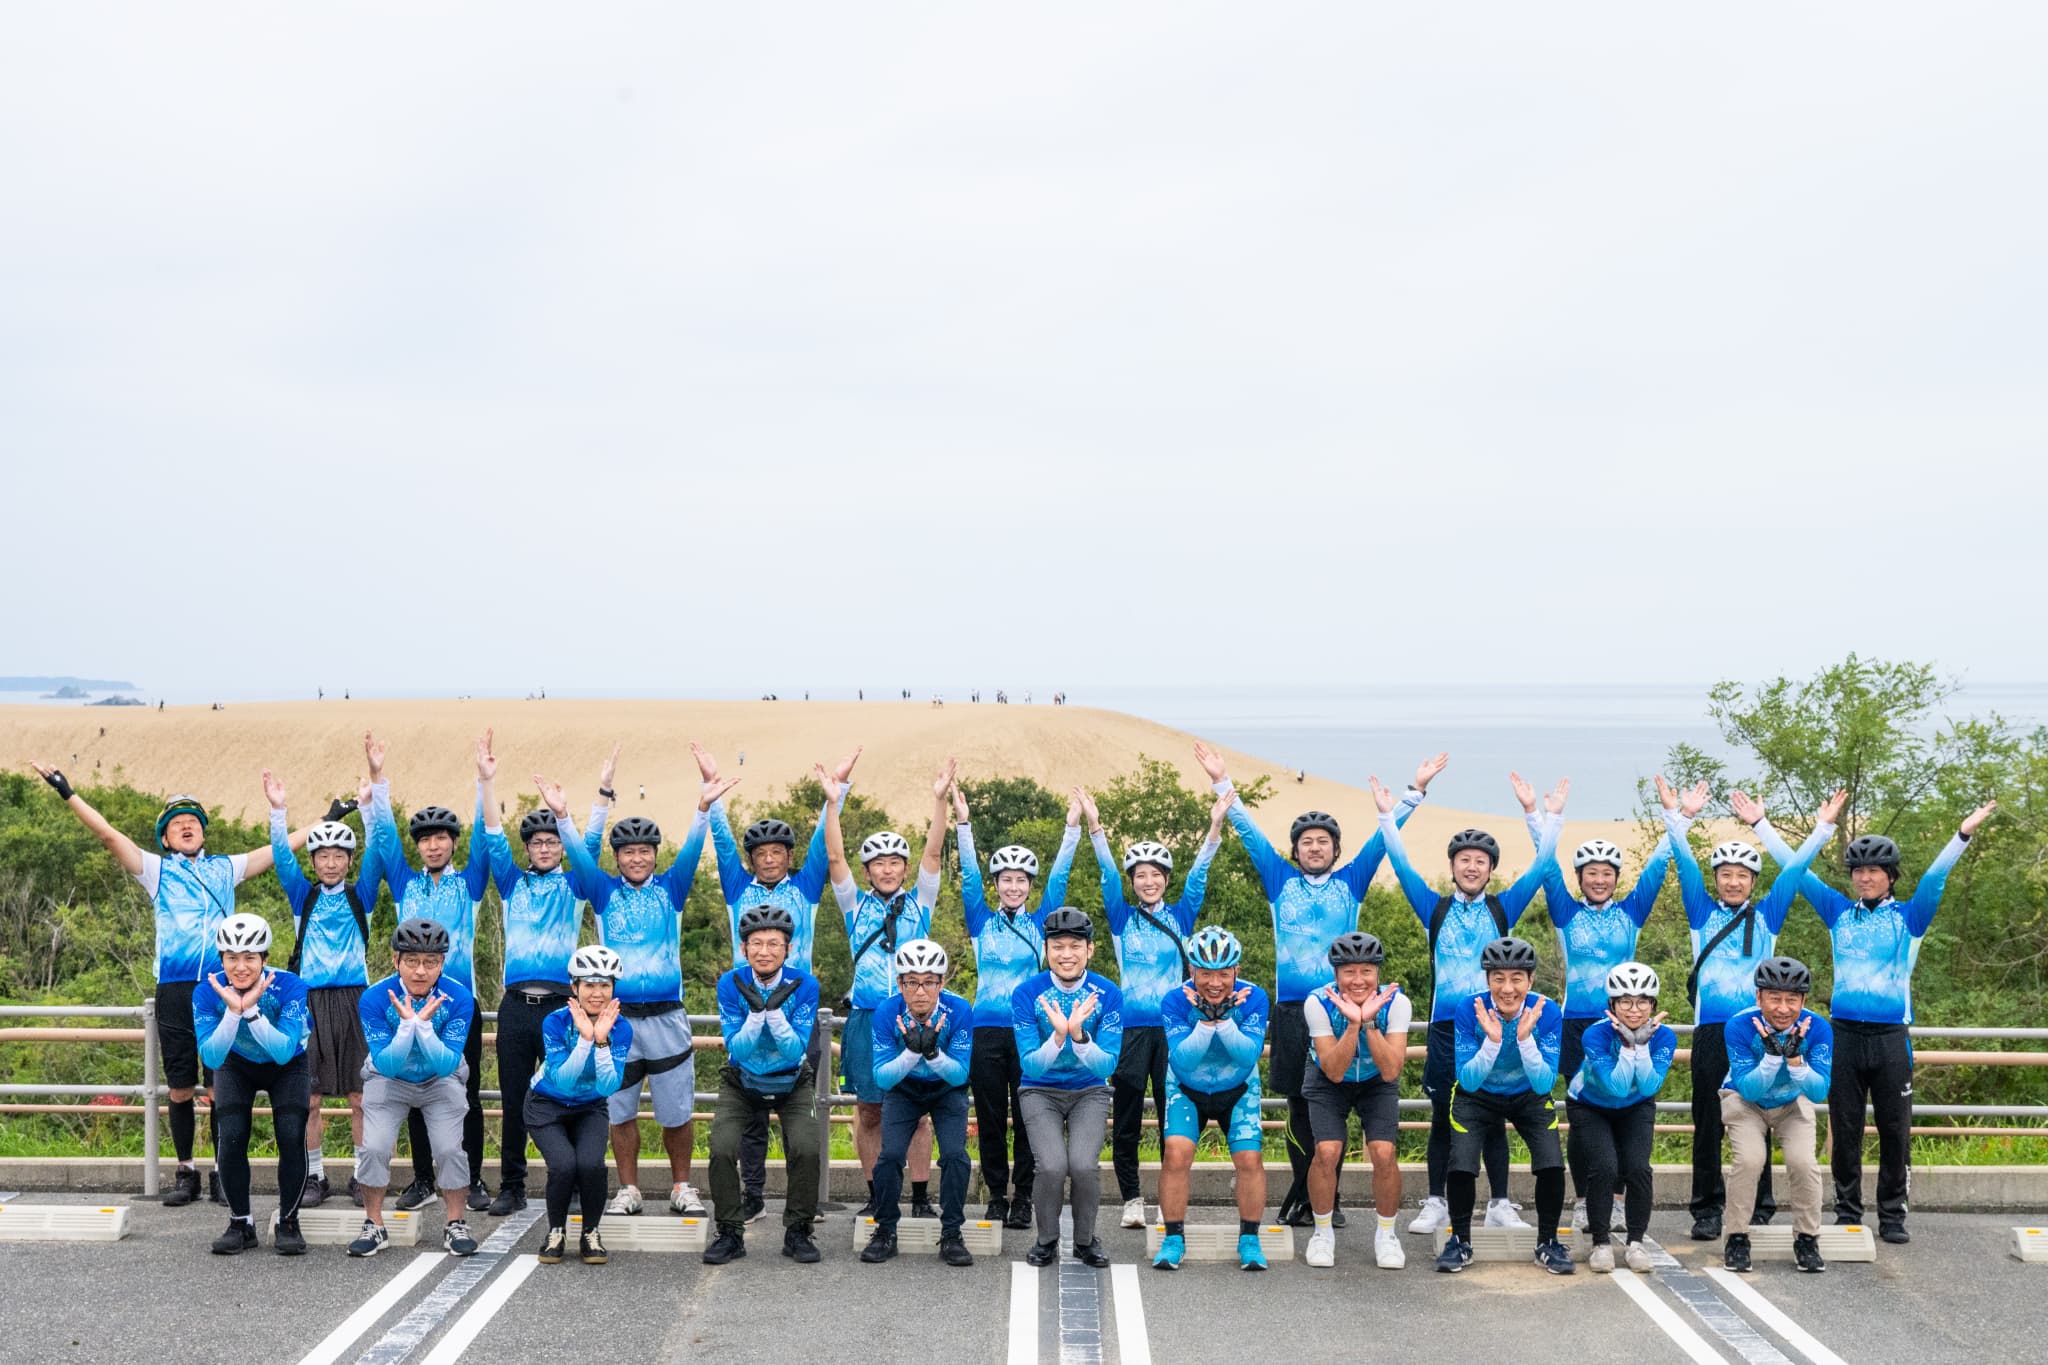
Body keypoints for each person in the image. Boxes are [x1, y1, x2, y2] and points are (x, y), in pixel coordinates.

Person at [30, 761, 307, 1208]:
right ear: (165, 837)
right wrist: (67, 791)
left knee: (221, 1085)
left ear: (204, 831)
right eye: (176, 824)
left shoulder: (226, 868)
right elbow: (109, 836)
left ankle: (223, 1172)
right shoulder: (157, 870)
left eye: (193, 821)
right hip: (176, 988)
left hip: (224, 987)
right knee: (179, 1087)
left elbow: (279, 849)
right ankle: (185, 1171)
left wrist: (329, 818)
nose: (186, 827)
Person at [1195, 741, 1444, 1228]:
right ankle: (1305, 1196)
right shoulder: (1279, 879)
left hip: (1344, 1009)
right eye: (1306, 842)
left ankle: (1322, 1199)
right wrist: (1221, 780)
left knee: (1339, 1111)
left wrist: (1414, 792)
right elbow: (1249, 833)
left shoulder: (1352, 880)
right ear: (1295, 851)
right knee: (1299, 1108)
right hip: (1293, 1010)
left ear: (1335, 850)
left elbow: (1383, 841)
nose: (1314, 847)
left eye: (1323, 841)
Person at [1773, 797, 1996, 1243]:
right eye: (1858, 870)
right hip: (1844, 1035)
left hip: (1892, 1038)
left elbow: (1935, 879)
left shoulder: (1910, 917)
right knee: (1845, 1128)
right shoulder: (1838, 912)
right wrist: (1763, 823)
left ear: (1890, 876)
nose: (1864, 877)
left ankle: (1893, 1214)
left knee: (1896, 1129)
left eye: (1874, 870)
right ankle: (1848, 1210)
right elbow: (1797, 872)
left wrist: (1962, 834)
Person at [1374, 773, 1562, 1236]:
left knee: (1494, 1114)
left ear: (1490, 870)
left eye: (1480, 861)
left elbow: (1543, 866)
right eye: (1464, 860)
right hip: (1446, 1027)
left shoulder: (1502, 908)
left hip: (1499, 1022)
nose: (1472, 867)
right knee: (1444, 1115)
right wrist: (1390, 811)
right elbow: (1400, 863)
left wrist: (1538, 814)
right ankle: (1437, 1200)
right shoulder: (1434, 909)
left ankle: (1499, 1203)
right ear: (1453, 866)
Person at [1518, 770, 1698, 1229]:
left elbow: (1658, 866)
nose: (1599, 880)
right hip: (1577, 1023)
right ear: (1581, 878)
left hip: (1626, 1023)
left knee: (1623, 1108)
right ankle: (1586, 1198)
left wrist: (1679, 817)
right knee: (1584, 1118)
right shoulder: (1565, 912)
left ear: (1616, 878)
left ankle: (1616, 1200)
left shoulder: (1631, 912)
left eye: (1606, 873)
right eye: (1591, 873)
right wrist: (1536, 815)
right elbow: (1546, 865)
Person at [543, 770, 722, 1220]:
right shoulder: (602, 890)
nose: (637, 858)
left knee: (677, 1112)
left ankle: (681, 1186)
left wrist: (703, 808)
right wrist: (562, 817)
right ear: (617, 857)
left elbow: (693, 850)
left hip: (667, 1017)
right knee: (619, 1110)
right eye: (628, 851)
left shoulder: (672, 888)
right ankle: (629, 1189)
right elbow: (579, 858)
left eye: (645, 851)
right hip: (616, 1018)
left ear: (655, 855)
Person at [1667, 787, 1843, 1241]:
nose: (1733, 882)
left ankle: (1761, 1207)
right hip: (1711, 1032)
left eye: (1742, 875)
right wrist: (1678, 817)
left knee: (1762, 1113)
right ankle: (1707, 1209)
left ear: (1753, 881)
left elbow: (1795, 870)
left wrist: (1822, 829)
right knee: (1708, 1123)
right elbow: (1683, 864)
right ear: (1716, 879)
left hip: (1760, 1032)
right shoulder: (1700, 913)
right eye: (1725, 874)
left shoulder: (1767, 916)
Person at [696, 742, 852, 1222]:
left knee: (799, 1113)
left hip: (796, 1010)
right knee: (750, 1121)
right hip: (747, 1008)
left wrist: (838, 791)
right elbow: (723, 845)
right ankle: (753, 1197)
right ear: (753, 859)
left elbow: (824, 844)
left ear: (788, 856)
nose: (769, 859)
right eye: (761, 853)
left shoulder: (805, 887)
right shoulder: (737, 887)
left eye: (778, 852)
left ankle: (803, 1202)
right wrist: (712, 792)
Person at [358, 730, 500, 1213]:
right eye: (425, 839)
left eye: (441, 838)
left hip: (459, 1003)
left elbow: (486, 840)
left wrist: (484, 781)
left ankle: (472, 1179)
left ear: (452, 843)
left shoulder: (471, 883)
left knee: (465, 1093)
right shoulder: (403, 883)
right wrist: (378, 778)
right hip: (407, 1003)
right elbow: (383, 837)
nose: (433, 845)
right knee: (413, 1090)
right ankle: (422, 1180)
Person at [1077, 784, 1227, 1229]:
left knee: (1171, 1116)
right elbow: (1106, 876)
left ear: (1165, 878)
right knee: (1125, 1119)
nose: (1148, 881)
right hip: (1128, 1030)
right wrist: (1095, 827)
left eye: (1156, 874)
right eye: (1140, 875)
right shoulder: (1122, 918)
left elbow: (1199, 877)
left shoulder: (1180, 916)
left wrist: (1215, 827)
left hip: (1173, 1029)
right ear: (1133, 880)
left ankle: (1167, 1198)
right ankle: (1131, 1200)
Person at [477, 749, 616, 1216]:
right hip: (516, 1005)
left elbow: (589, 841)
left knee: (568, 1089)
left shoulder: (575, 885)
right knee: (515, 1099)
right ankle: (512, 1186)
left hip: (562, 1005)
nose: (544, 848)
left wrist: (602, 792)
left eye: (552, 841)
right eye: (536, 842)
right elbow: (493, 834)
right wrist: (487, 782)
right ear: (528, 848)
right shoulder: (511, 883)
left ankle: (573, 1180)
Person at [823, 761, 952, 1219]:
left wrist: (940, 801)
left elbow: (934, 853)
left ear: (904, 867)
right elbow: (834, 859)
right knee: (870, 1110)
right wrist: (832, 804)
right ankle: (878, 1194)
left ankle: (920, 1196)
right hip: (865, 1016)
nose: (887, 868)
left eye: (895, 861)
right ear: (868, 870)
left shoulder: (920, 903)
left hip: (914, 1014)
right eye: (878, 863)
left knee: (918, 1113)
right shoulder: (854, 905)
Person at [953, 782, 1082, 1228]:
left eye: (1020, 880)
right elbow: (968, 875)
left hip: (1030, 1030)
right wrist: (964, 824)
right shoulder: (980, 920)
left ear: (1029, 885)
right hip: (985, 1030)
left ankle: (1023, 1196)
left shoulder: (1041, 922)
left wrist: (1071, 828)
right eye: (1005, 879)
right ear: (996, 885)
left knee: (1029, 1116)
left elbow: (1060, 878)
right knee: (990, 1119)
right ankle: (995, 1195)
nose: (1013, 886)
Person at [265, 772, 375, 1208]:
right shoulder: (303, 897)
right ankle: (314, 1176)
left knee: (361, 1097)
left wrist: (369, 809)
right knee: (308, 1098)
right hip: (309, 1002)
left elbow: (380, 852)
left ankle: (363, 1176)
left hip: (355, 1000)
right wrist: (278, 812)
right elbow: (280, 859)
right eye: (323, 856)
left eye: (338, 856)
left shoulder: (361, 896)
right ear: (313, 861)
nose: (330, 863)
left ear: (349, 860)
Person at [1435, 936, 1570, 1276]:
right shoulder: (1470, 1008)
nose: (1507, 989)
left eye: (1516, 979)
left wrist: (1524, 1039)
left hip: (1528, 1092)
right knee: (1462, 1162)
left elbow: (1544, 1084)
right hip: (1477, 1093)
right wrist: (1493, 1042)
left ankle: (1548, 1242)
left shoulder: (1547, 1011)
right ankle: (1460, 1241)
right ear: (1487, 980)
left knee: (1552, 1163)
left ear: (1531, 980)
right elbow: (1467, 1081)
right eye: (1498, 978)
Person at [348, 918, 480, 1258]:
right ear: (396, 960)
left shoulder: (459, 997)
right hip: (389, 1077)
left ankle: (456, 1223)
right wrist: (408, 1028)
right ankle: (374, 1223)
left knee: (449, 1150)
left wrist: (424, 1028)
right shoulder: (374, 998)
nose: (420, 971)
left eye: (430, 962)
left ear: (442, 963)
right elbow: (387, 1064)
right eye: (411, 961)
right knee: (374, 1148)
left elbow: (447, 1065)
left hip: (440, 1077)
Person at [703, 906, 824, 1265]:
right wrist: (757, 1014)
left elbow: (795, 1049)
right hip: (741, 1078)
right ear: (744, 949)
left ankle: (799, 1230)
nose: (764, 951)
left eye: (774, 943)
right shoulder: (731, 983)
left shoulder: (804, 984)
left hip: (792, 1078)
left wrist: (773, 1013)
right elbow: (738, 1049)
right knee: (722, 1148)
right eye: (756, 943)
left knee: (806, 1148)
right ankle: (730, 1232)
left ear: (788, 949)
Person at [1153, 926, 1271, 1272]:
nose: (1215, 982)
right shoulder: (1175, 1000)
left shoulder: (1254, 997)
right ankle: (1173, 1238)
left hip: (1238, 1087)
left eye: (1223, 973)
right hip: (1186, 1086)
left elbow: (1247, 1055)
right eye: (1205, 973)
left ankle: (1249, 1239)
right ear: (1192, 970)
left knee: (1249, 1157)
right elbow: (1183, 1060)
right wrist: (1207, 1022)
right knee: (1176, 1153)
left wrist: (1224, 1020)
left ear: (1236, 970)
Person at [195, 913, 312, 1255]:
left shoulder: (290, 986)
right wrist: (232, 1012)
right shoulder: (207, 990)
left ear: (265, 959)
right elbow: (212, 1057)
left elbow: (282, 1051)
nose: (241, 967)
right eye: (232, 958)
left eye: (250, 958)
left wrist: (250, 1011)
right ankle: (240, 1223)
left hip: (287, 1063)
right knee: (231, 1137)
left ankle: (288, 1221)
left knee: (291, 1134)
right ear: (221, 959)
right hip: (235, 1062)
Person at [1013, 908, 1124, 1268]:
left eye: (1075, 946)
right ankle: (1046, 1238)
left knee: (1083, 1165)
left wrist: (1078, 1036)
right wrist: (1058, 1037)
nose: (1066, 954)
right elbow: (1031, 1065)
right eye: (1057, 946)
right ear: (1046, 950)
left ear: (1090, 949)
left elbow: (1106, 1066)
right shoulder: (1027, 993)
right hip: (1039, 1090)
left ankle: (1085, 1240)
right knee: (1051, 1166)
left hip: (1089, 1090)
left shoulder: (1108, 994)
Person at [860, 939, 977, 1267]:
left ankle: (952, 1233)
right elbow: (883, 1079)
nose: (921, 991)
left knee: (955, 1156)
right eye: (912, 982)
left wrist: (933, 1053)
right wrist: (912, 1052)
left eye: (929, 982)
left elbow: (960, 1075)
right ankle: (885, 1230)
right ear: (900, 983)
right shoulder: (887, 1012)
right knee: (890, 1157)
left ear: (942, 982)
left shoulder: (959, 1010)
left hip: (946, 1088)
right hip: (904, 1087)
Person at [1300, 932, 1411, 1271]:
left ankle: (1387, 1235)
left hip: (1377, 1077)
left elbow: (1391, 1070)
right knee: (1327, 1151)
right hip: (1328, 1075)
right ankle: (1322, 1233)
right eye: (1349, 972)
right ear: (1336, 975)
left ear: (1377, 973)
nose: (1358, 980)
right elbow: (1334, 1071)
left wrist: (1370, 1022)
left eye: (1366, 971)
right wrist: (1352, 1025)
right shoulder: (1317, 1002)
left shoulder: (1397, 1003)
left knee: (1384, 1152)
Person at [1721, 957, 1835, 1274]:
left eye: (1791, 1000)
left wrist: (1796, 1060)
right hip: (1745, 1100)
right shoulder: (1739, 1026)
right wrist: (1772, 1057)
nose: (1783, 1008)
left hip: (1792, 1100)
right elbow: (1750, 1089)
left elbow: (1818, 1092)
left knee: (1803, 1163)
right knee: (1750, 1160)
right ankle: (1737, 1238)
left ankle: (1807, 1239)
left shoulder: (1818, 1028)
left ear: (1803, 1000)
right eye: (1774, 998)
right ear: (1759, 997)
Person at [1565, 961, 1675, 1273]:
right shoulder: (1595, 1034)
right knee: (1604, 1167)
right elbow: (1617, 1086)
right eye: (1625, 1002)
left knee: (1638, 1168)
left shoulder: (1664, 1037)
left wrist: (1642, 1046)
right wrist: (1628, 1045)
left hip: (1636, 1105)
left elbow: (1649, 1086)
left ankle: (1635, 1243)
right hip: (1590, 1104)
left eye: (1643, 1002)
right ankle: (1600, 1243)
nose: (1634, 1010)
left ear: (1653, 1004)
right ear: (1612, 1004)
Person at [530, 945, 632, 1266]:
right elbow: (563, 1080)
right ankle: (556, 1231)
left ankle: (591, 1232)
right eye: (589, 985)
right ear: (574, 987)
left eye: (605, 985)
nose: (597, 993)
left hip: (590, 1106)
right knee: (563, 1166)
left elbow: (608, 1086)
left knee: (591, 1165)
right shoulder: (555, 1022)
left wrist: (601, 1041)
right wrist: (585, 1040)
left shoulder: (621, 1028)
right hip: (547, 1103)